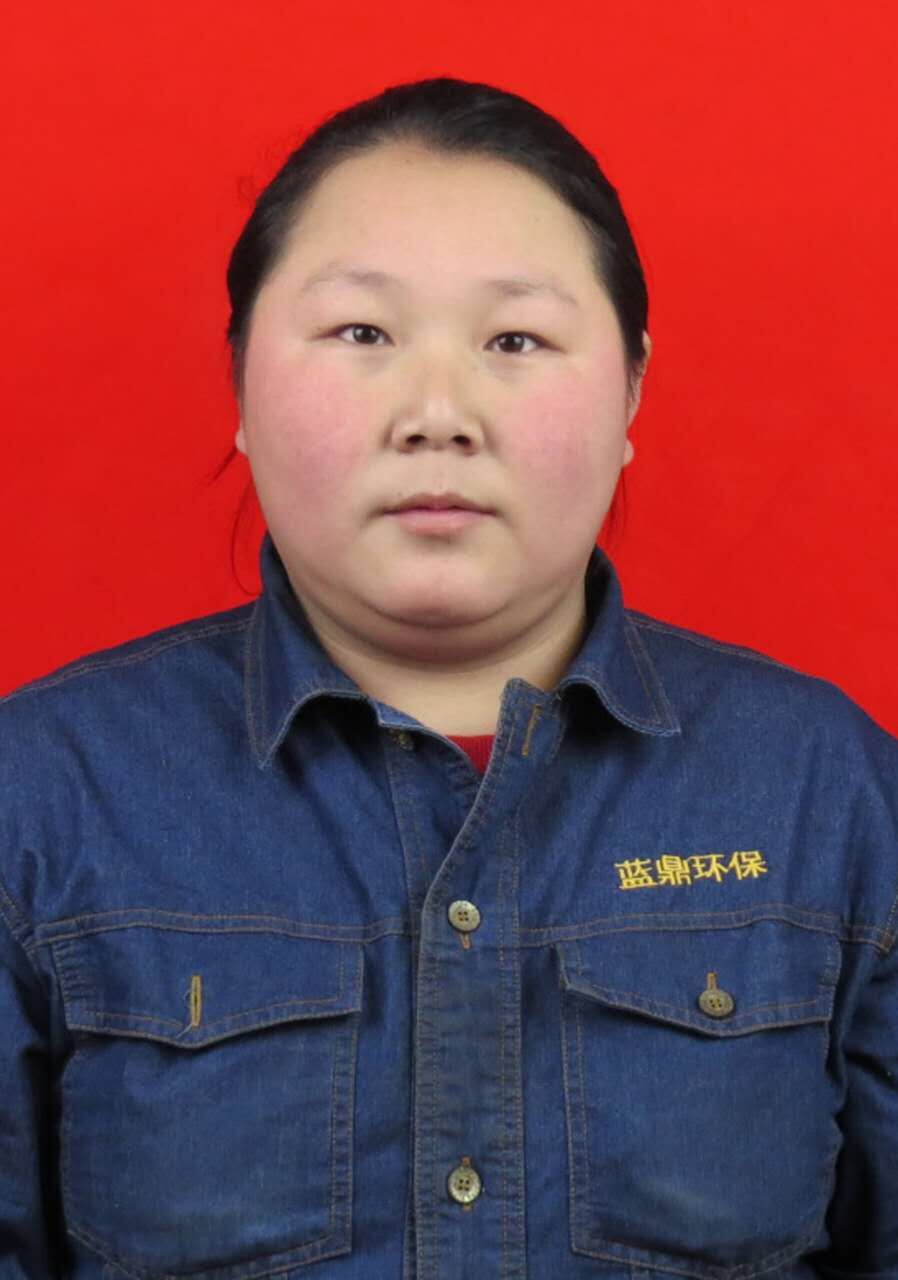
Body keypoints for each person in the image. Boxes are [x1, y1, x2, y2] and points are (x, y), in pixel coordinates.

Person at [0, 75, 895, 1280]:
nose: (437, 414)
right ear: (241, 382)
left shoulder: (828, 791)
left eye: (514, 340)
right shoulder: (43, 795)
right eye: (361, 334)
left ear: (631, 387)